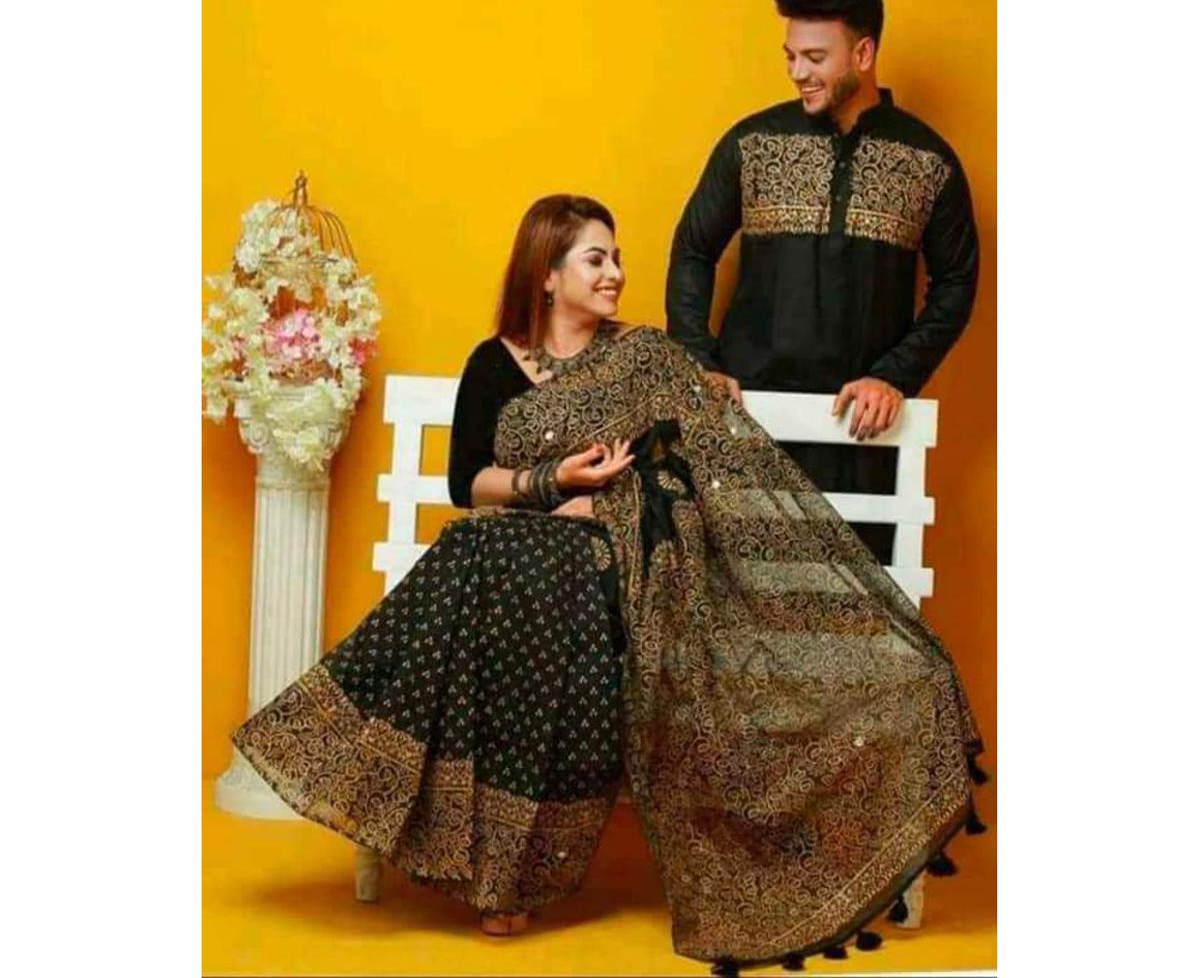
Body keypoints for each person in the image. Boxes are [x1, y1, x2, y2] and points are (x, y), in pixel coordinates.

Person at [232, 194, 987, 974]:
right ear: (547, 273)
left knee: (507, 561)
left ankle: (495, 873)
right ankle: (493, 870)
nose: (616, 273)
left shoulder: (649, 358)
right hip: (522, 564)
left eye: (616, 258)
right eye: (596, 259)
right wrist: (553, 481)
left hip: (617, 571)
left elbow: (697, 479)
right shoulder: (494, 362)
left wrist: (618, 501)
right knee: (486, 551)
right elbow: (470, 482)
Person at [666, 0, 979, 565]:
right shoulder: (752, 144)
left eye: (814, 57)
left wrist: (895, 375)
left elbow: (957, 280)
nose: (797, 72)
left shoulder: (927, 160)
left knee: (853, 609)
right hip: (748, 425)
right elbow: (693, 249)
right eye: (790, 56)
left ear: (863, 53)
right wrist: (700, 362)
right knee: (734, 600)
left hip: (860, 434)